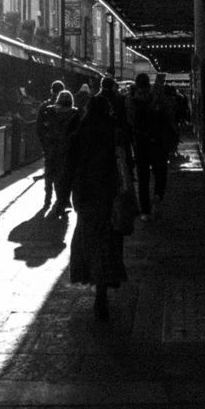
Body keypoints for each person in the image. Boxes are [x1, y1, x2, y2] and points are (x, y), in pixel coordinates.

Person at [67, 75, 135, 319]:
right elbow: (126, 162)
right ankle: (103, 291)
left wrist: (64, 196)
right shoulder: (114, 132)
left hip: (85, 197)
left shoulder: (80, 132)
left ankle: (94, 281)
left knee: (90, 240)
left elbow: (69, 166)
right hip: (110, 194)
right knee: (110, 242)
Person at [126, 72, 172, 220]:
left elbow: (130, 120)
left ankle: (145, 211)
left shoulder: (131, 99)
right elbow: (167, 116)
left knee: (143, 178)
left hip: (140, 142)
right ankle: (158, 195)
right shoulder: (156, 97)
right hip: (157, 141)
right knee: (160, 172)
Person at [43, 88, 79, 216]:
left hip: (53, 148)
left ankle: (50, 198)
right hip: (68, 150)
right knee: (66, 177)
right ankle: (63, 200)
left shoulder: (51, 111)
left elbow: (45, 128)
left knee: (52, 174)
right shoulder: (75, 113)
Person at [37, 80, 65, 208]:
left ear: (51, 90)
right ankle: (60, 200)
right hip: (62, 146)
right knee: (60, 173)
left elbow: (39, 127)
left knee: (49, 172)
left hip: (49, 144)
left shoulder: (44, 106)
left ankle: (47, 199)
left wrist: (43, 142)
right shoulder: (66, 107)